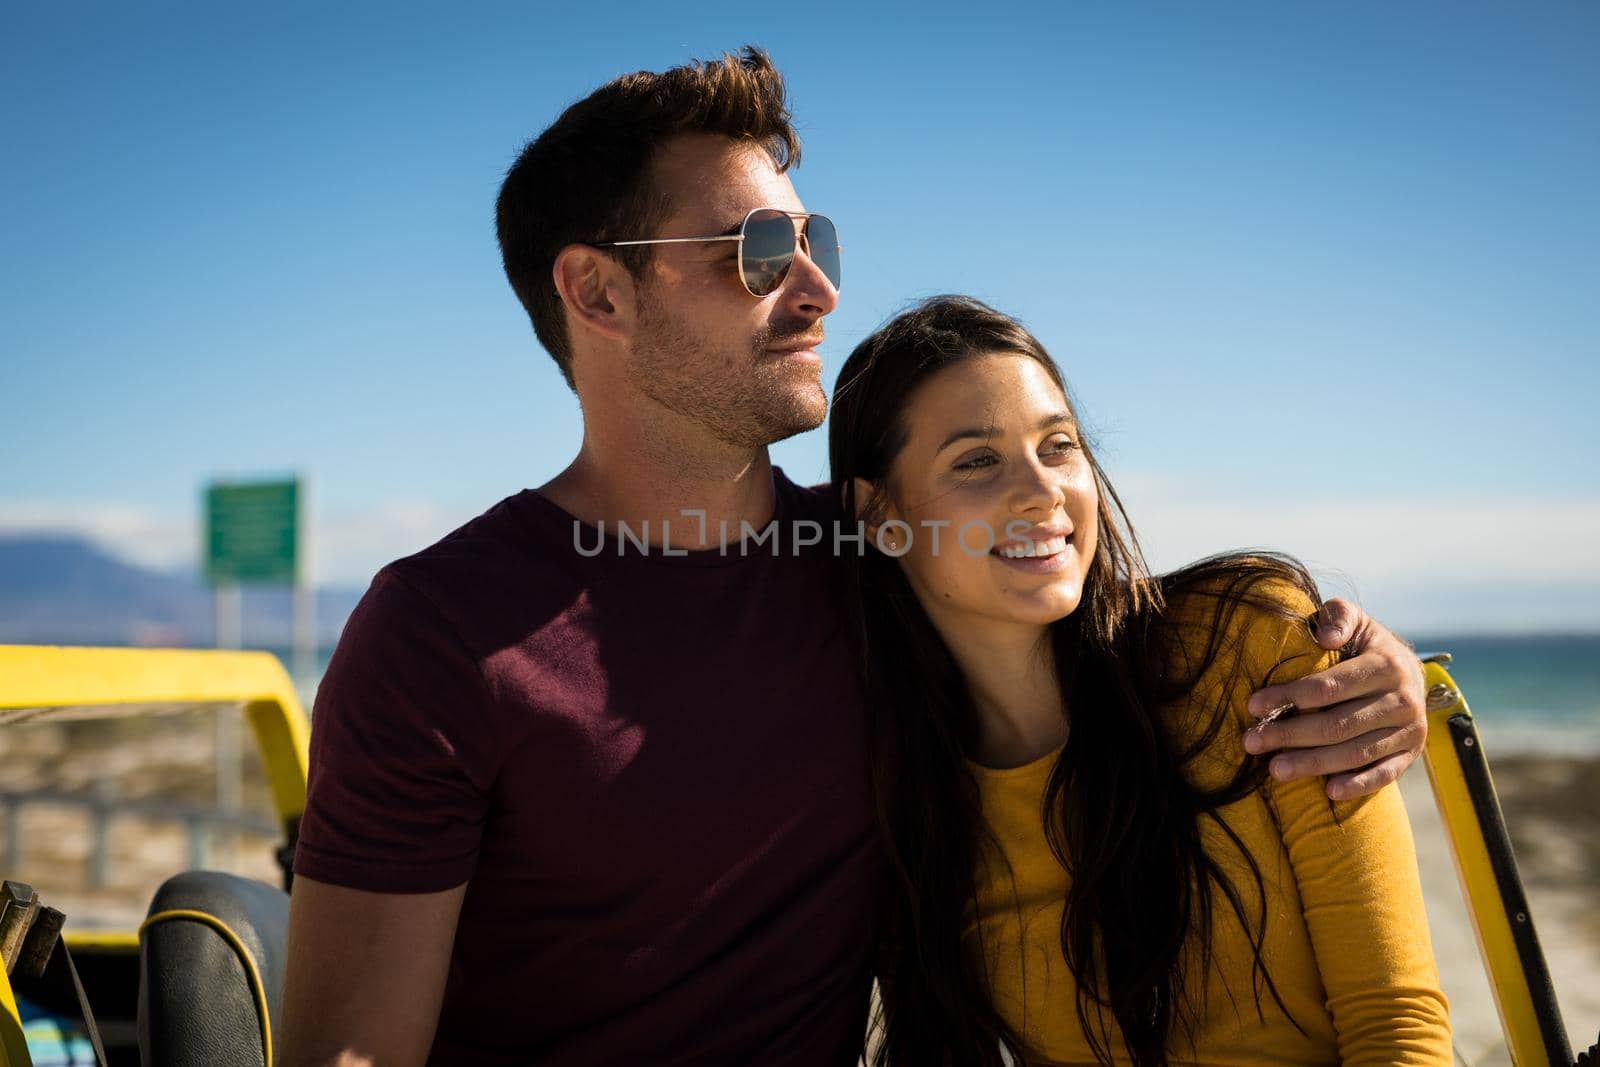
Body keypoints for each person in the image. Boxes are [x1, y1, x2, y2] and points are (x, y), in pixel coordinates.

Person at [279, 49, 1432, 1066]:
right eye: (759, 248)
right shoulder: (441, 630)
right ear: (596, 289)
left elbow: (1090, 593)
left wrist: (1369, 668)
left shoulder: (884, 555)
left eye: (814, 238)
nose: (819, 286)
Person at [829, 295, 1450, 1066]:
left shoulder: (1246, 649)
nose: (1042, 489)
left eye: (1058, 446)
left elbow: (1396, 1027)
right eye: (977, 460)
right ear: (880, 516)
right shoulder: (905, 799)